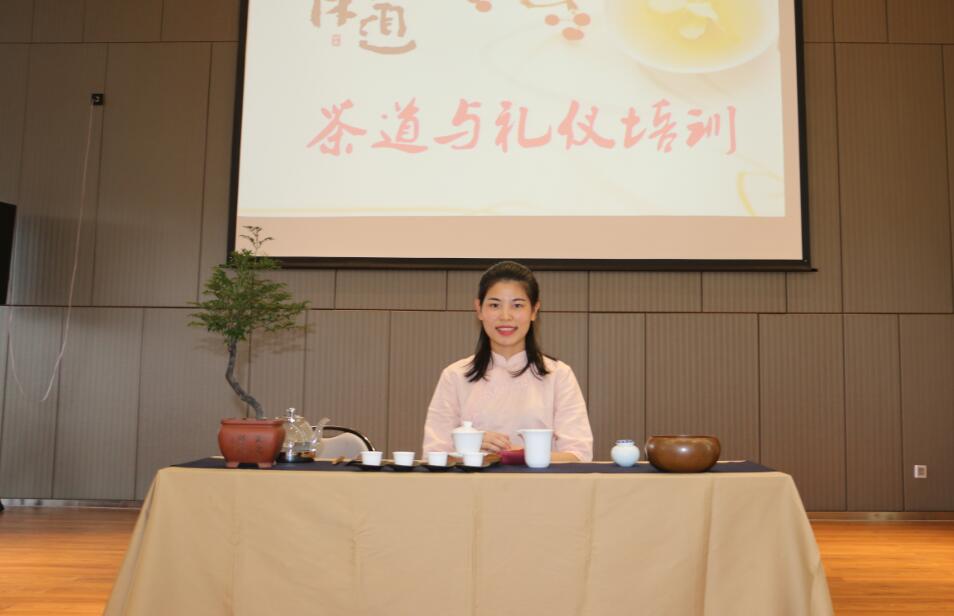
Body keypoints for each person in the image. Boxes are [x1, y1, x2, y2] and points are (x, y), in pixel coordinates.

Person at [422, 261, 593, 462]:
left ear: (534, 310)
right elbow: (433, 455)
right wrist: (469, 445)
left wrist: (517, 456)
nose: (505, 316)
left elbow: (579, 455)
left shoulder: (559, 375)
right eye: (494, 305)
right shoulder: (455, 376)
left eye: (517, 305)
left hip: (540, 483)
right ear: (479, 309)